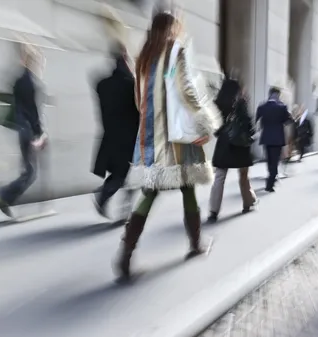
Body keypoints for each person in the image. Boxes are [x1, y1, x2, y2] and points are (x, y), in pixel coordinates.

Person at [115, 11, 222, 281]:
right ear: (172, 28)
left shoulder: (144, 55)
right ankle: (195, 243)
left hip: (150, 138)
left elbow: (139, 101)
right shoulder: (175, 49)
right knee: (187, 187)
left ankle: (126, 254)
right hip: (176, 136)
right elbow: (186, 90)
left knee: (151, 190)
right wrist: (207, 122)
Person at [92, 9, 140, 221]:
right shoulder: (130, 85)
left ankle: (122, 206)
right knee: (125, 175)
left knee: (125, 174)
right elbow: (139, 109)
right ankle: (104, 196)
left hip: (111, 135)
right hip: (129, 138)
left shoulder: (103, 84)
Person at [0, 44, 47, 218]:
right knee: (31, 172)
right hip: (27, 129)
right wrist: (40, 134)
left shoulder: (20, 79)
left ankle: (6, 196)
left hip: (21, 127)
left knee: (29, 170)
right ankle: (4, 195)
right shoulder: (30, 82)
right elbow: (33, 111)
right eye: (40, 63)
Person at [208, 78, 257, 223]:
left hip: (224, 143)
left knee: (219, 178)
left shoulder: (218, 103)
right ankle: (248, 203)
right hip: (239, 144)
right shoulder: (241, 103)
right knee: (243, 176)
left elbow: (214, 124)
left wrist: (221, 133)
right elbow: (248, 123)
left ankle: (213, 211)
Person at [256, 87, 292, 192]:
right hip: (277, 139)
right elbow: (288, 121)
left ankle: (271, 177)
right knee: (275, 161)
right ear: (278, 95)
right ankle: (270, 184)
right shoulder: (282, 107)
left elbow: (257, 121)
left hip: (266, 138)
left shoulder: (262, 107)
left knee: (269, 160)